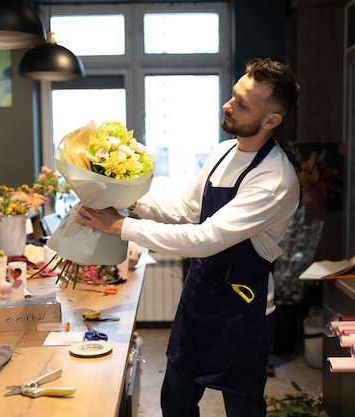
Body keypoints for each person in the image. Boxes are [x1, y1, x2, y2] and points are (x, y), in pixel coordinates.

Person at [76, 57, 300, 417]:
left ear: (272, 120)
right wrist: (127, 200)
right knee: (175, 402)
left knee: (243, 409)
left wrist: (120, 227)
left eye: (242, 104)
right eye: (233, 95)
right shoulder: (223, 152)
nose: (228, 105)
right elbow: (186, 209)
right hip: (200, 299)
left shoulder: (274, 180)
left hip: (243, 313)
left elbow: (206, 238)